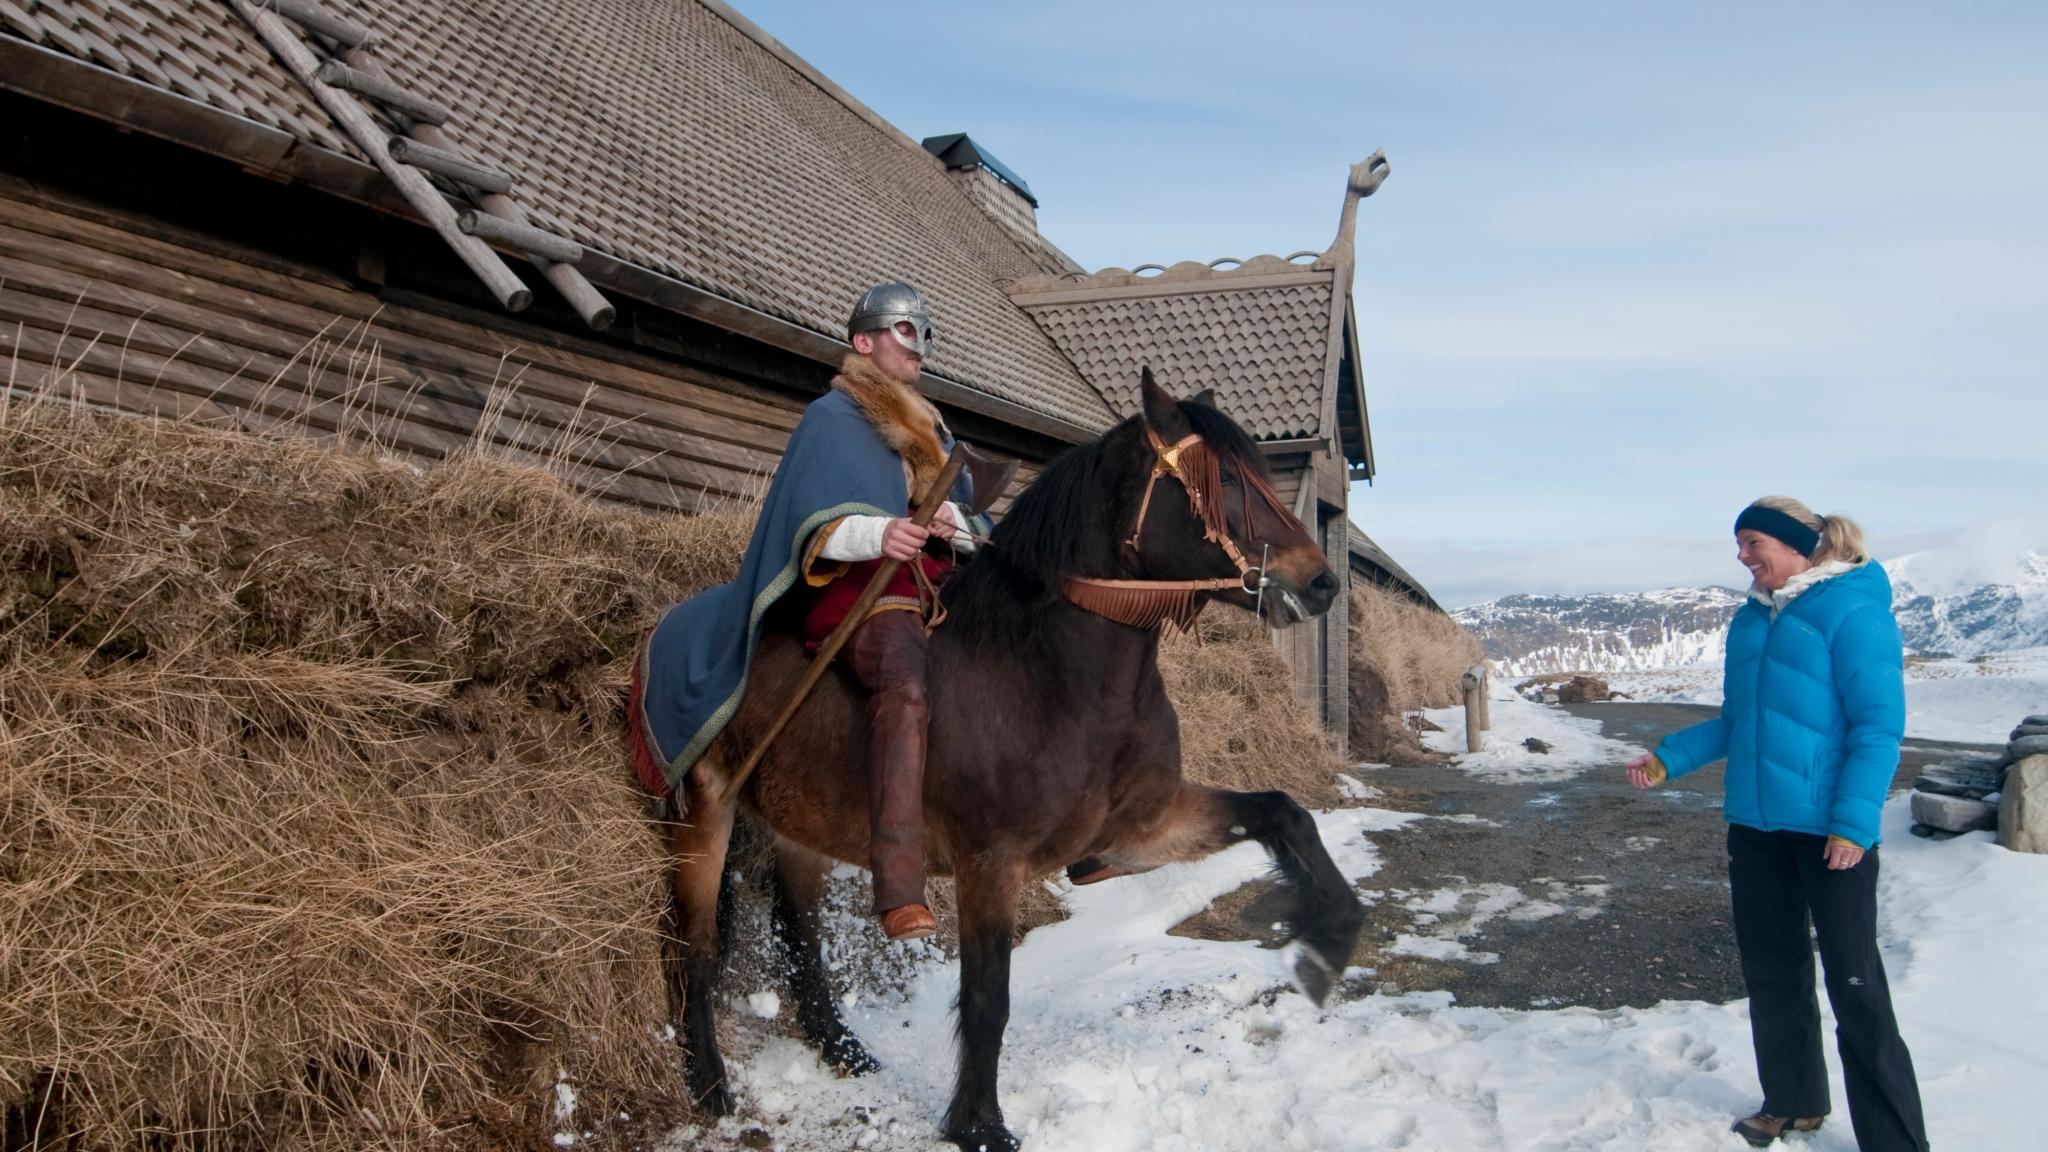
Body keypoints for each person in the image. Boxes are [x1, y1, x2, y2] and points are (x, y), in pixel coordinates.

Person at [632, 282, 985, 942]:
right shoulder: (834, 417)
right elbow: (810, 524)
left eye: (924, 334)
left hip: (930, 581)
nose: (920, 346)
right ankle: (899, 883)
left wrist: (949, 522)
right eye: (906, 332)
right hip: (857, 588)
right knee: (904, 682)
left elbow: (965, 517)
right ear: (865, 342)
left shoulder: (928, 426)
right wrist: (880, 534)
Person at [1624, 496, 1929, 1151]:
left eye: (1752, 542)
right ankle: (1793, 1103)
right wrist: (1669, 759)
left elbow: (1878, 729)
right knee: (1772, 972)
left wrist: (1852, 824)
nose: (1742, 557)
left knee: (1856, 987)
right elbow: (1740, 721)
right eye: (1739, 544)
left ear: (1795, 546)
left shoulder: (1853, 611)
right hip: (1756, 829)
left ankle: (1896, 1139)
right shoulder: (1751, 622)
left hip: (1831, 835)